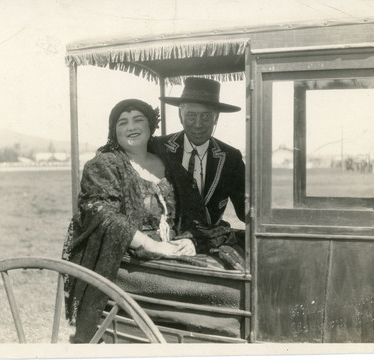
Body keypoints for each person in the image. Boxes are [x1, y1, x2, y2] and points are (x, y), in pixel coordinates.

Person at [61, 99, 197, 343]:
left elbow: (189, 210)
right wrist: (152, 245)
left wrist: (187, 238)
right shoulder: (104, 165)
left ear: (151, 125)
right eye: (122, 122)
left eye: (138, 120)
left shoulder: (169, 165)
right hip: (124, 259)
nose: (130, 127)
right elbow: (103, 215)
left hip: (169, 253)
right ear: (114, 130)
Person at [156, 77, 246, 256]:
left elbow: (247, 209)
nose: (198, 124)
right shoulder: (158, 147)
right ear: (180, 115)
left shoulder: (231, 157)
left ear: (216, 118)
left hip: (209, 243)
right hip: (165, 242)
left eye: (206, 116)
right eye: (191, 115)